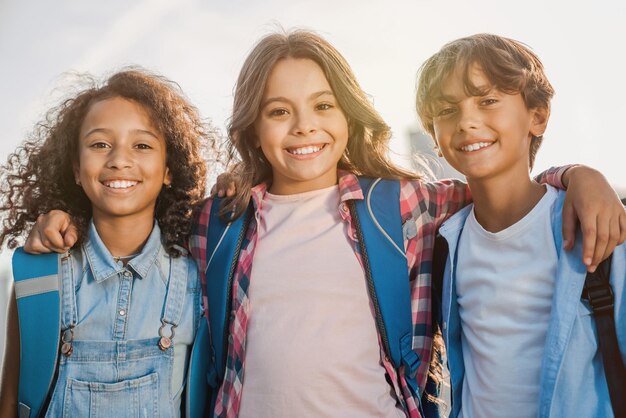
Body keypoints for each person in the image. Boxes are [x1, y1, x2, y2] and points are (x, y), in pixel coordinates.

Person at [20, 30, 625, 418]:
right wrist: (61, 220)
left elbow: (498, 182)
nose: (303, 127)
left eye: (323, 106)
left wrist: (579, 176)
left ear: (349, 114)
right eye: (279, 112)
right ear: (253, 129)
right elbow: (131, 215)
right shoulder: (218, 223)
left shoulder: (403, 207)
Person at [415, 33, 626, 417]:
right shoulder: (447, 240)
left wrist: (582, 175)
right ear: (434, 135)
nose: (466, 121)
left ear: (538, 116)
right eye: (447, 110)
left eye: (488, 100)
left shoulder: (597, 226)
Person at [0, 69, 213, 417]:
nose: (119, 160)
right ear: (75, 168)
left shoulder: (197, 275)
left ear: (168, 168)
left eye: (142, 145)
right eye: (100, 144)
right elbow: (10, 402)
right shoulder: (39, 275)